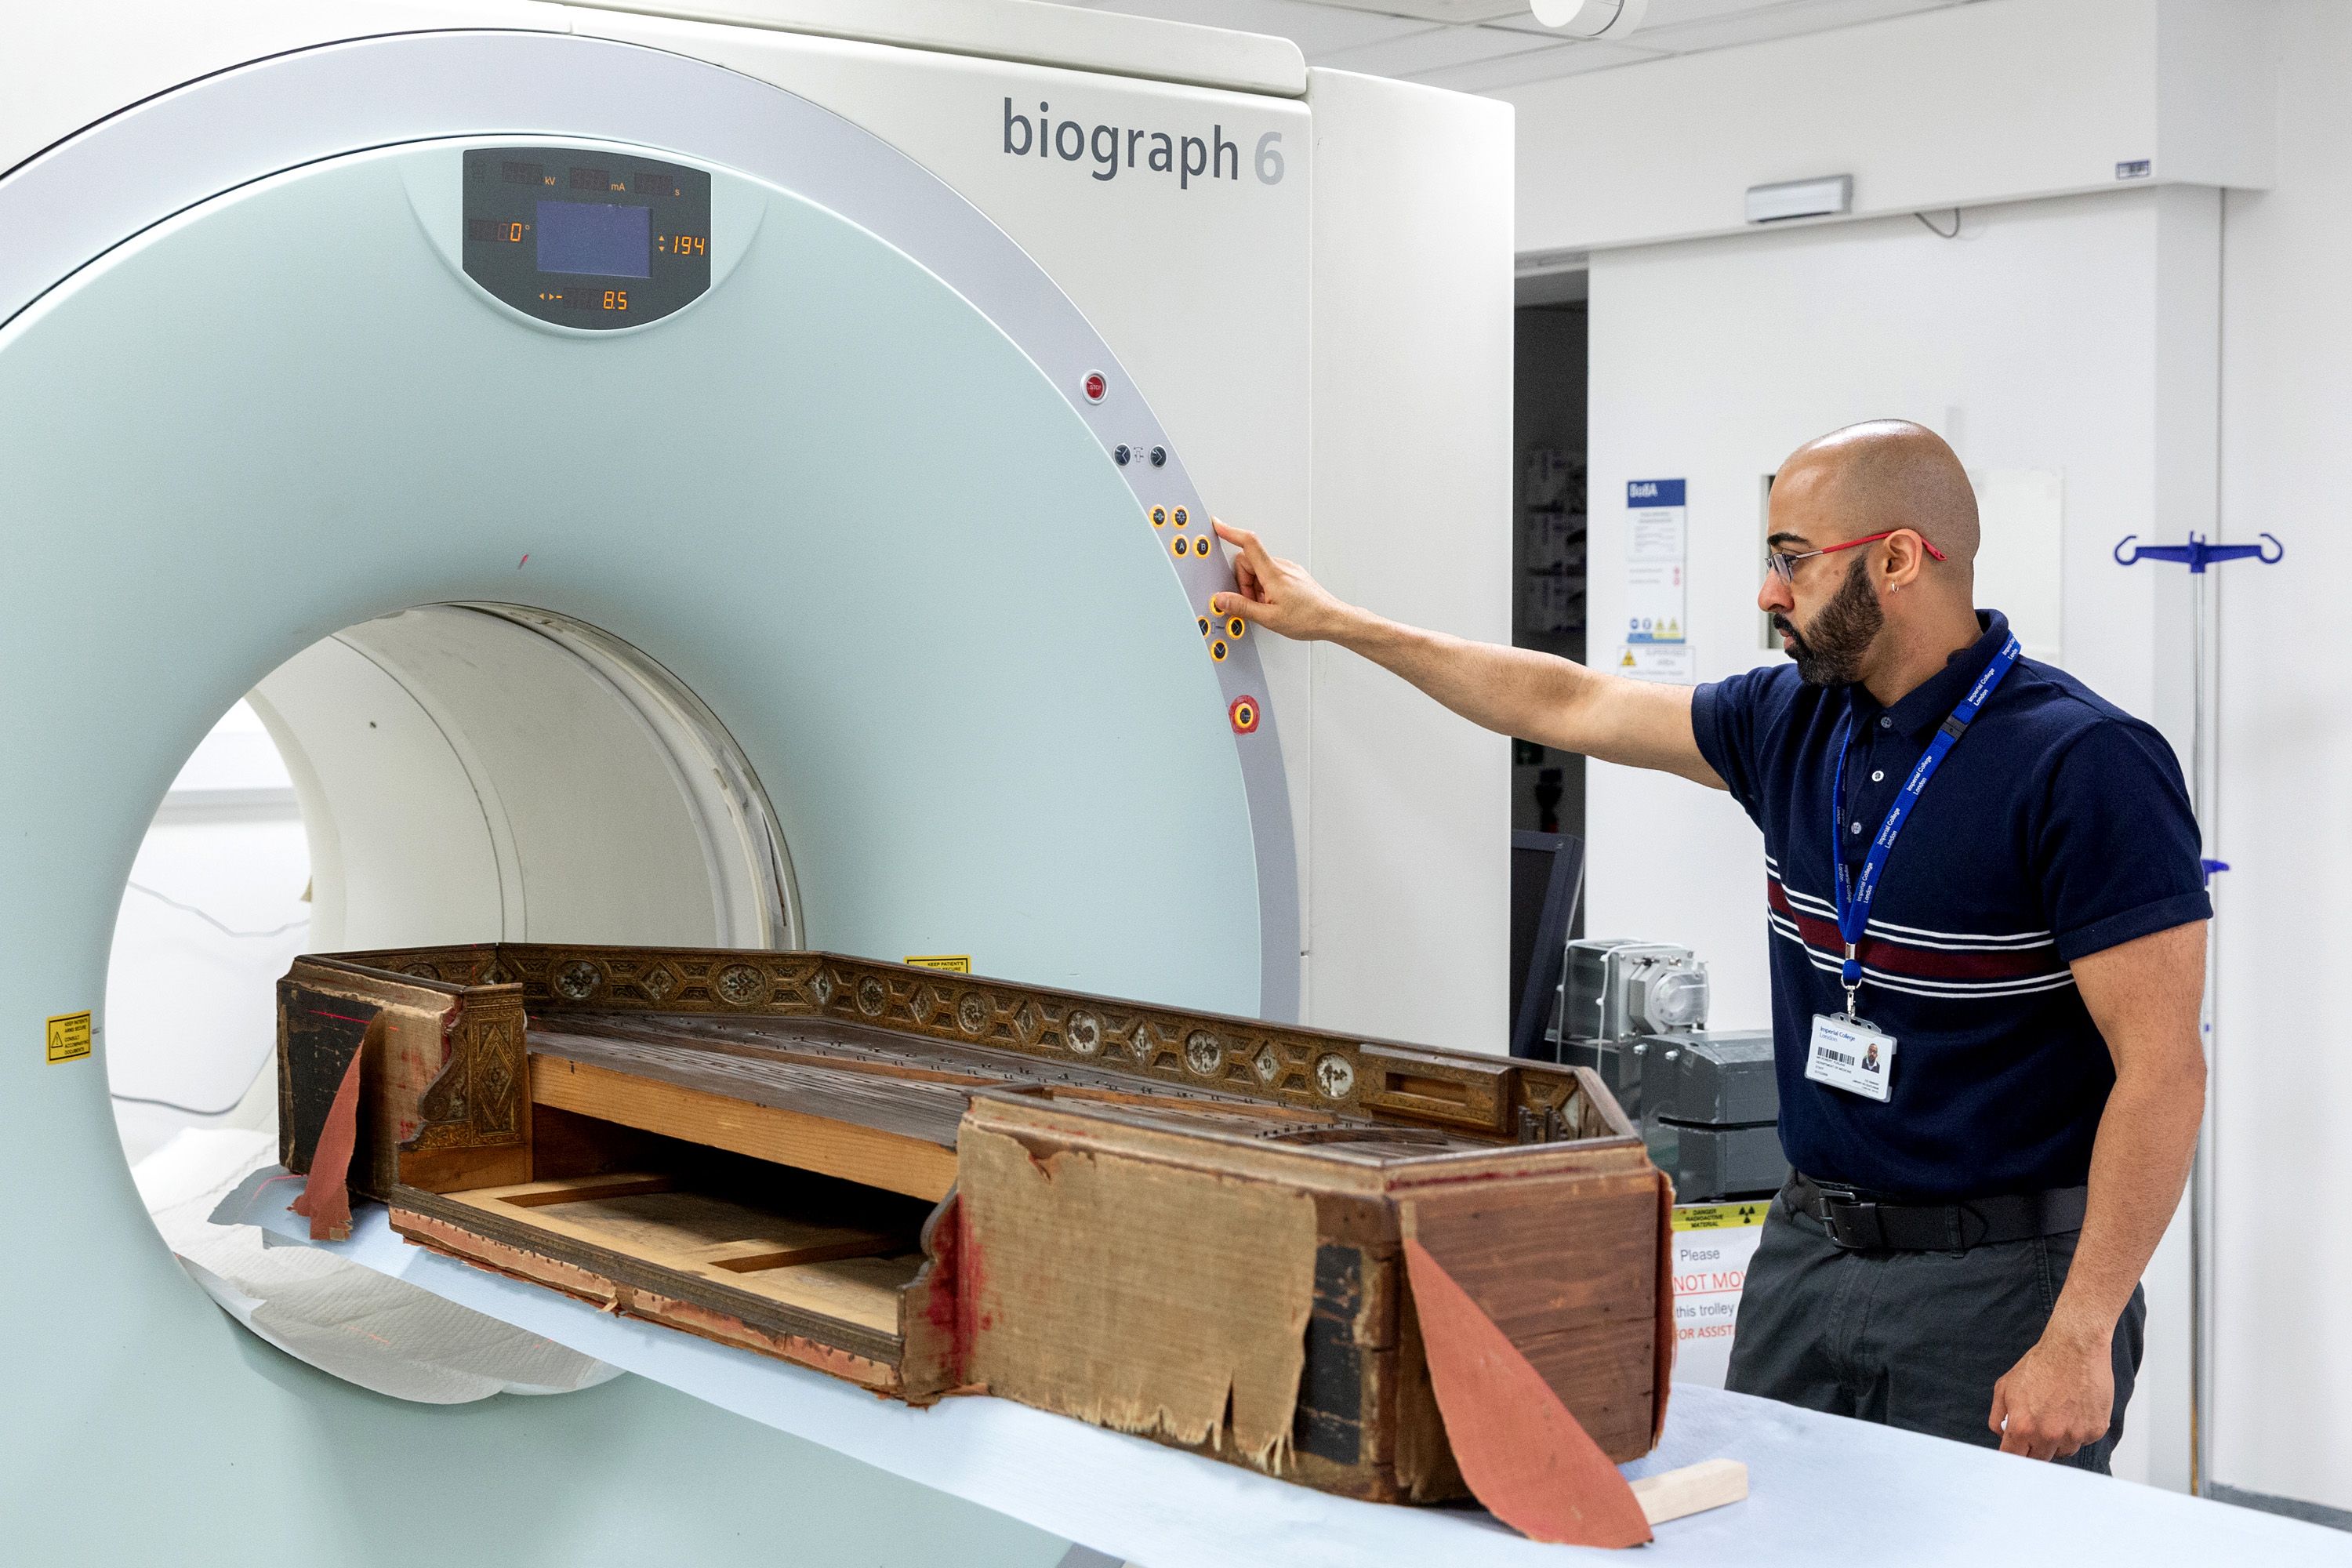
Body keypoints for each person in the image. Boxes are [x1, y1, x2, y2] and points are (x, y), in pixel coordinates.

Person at [1209, 419, 2208, 1470]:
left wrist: (2082, 1334)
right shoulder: (1791, 721)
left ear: (1899, 560)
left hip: (1996, 1280)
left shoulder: (2086, 765)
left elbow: (2164, 1070)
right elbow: (1570, 699)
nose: (1769, 593)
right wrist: (1335, 622)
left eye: (1791, 560)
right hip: (1809, 1255)